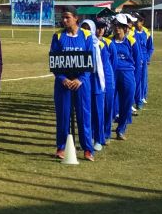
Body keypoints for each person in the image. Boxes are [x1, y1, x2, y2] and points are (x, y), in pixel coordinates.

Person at [50, 9, 95, 161]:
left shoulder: (87, 36)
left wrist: (81, 79)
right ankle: (61, 147)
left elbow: (90, 61)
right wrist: (62, 78)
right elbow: (54, 62)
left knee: (84, 115)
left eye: (67, 17)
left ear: (76, 18)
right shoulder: (57, 36)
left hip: (81, 84)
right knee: (63, 115)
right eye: (62, 18)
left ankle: (87, 149)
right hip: (63, 84)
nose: (64, 20)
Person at [110, 14, 140, 140]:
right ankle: (105, 132)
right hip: (112, 74)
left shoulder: (131, 42)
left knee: (126, 103)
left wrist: (135, 80)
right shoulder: (108, 41)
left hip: (127, 74)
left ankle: (121, 129)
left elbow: (138, 62)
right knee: (109, 103)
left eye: (120, 26)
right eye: (115, 25)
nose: (117, 28)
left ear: (125, 28)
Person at [81, 20, 108, 152]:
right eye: (83, 28)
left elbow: (106, 66)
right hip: (83, 81)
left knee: (98, 111)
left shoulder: (100, 45)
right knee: (86, 111)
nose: (85, 31)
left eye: (88, 28)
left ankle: (99, 139)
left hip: (96, 80)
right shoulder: (80, 44)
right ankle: (88, 137)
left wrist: (104, 83)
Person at [96, 20, 117, 146]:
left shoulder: (109, 43)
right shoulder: (90, 42)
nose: (100, 30)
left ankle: (106, 133)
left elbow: (114, 63)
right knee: (98, 108)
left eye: (102, 28)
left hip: (108, 78)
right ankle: (96, 135)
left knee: (108, 106)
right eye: (98, 28)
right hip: (95, 79)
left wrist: (109, 76)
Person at [133, 14, 153, 109]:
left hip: (144, 59)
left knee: (143, 78)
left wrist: (148, 57)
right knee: (136, 79)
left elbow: (150, 47)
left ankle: (143, 96)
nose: (135, 23)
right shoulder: (132, 32)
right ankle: (137, 98)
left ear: (142, 22)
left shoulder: (146, 33)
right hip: (135, 59)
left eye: (137, 21)